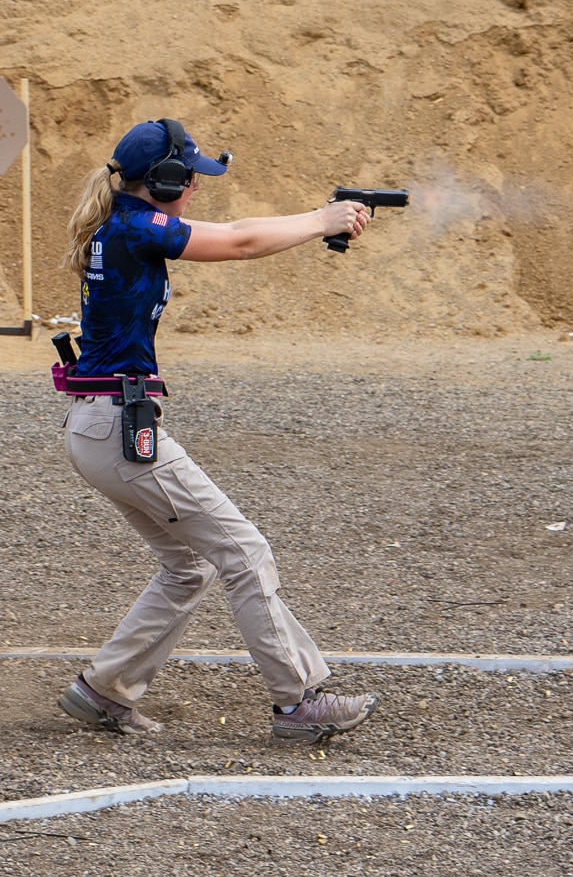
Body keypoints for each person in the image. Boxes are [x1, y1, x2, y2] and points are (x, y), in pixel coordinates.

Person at [54, 118, 381, 743]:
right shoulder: (133, 225)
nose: (197, 189)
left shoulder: (120, 221)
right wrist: (322, 219)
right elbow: (238, 241)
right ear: (166, 181)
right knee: (243, 550)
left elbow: (235, 235)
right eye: (190, 179)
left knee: (188, 567)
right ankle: (298, 701)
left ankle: (103, 692)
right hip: (120, 429)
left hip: (100, 426)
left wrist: (321, 218)